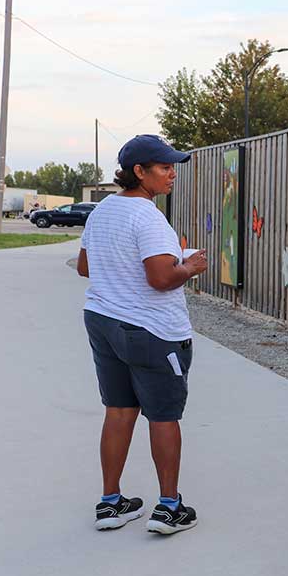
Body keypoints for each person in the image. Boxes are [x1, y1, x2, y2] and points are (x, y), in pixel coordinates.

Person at [77, 135, 207, 535]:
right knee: (164, 416)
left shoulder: (103, 211)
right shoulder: (149, 217)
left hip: (103, 321)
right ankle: (169, 508)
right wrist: (191, 265)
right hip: (152, 331)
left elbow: (86, 267)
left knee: (118, 411)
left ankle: (110, 502)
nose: (172, 174)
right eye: (163, 167)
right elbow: (161, 278)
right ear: (139, 171)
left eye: (173, 167)